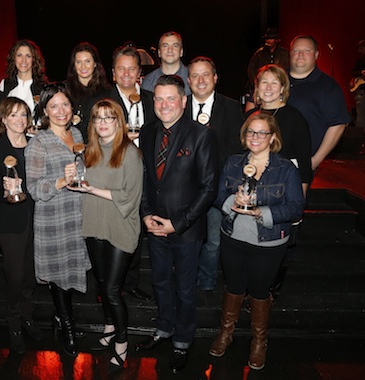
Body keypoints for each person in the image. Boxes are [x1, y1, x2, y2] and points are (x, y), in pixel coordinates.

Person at [208, 111, 305, 370]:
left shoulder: (286, 169)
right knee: (234, 287)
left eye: (262, 132)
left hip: (269, 243)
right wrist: (232, 202)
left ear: (272, 137)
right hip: (234, 237)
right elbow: (217, 197)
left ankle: (259, 342)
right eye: (251, 131)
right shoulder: (233, 162)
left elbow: (296, 207)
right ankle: (225, 334)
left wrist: (264, 212)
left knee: (261, 292)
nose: (255, 137)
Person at [135, 75, 218, 374]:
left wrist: (177, 224)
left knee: (184, 289)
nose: (164, 104)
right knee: (159, 282)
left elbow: (209, 189)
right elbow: (146, 178)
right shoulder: (147, 133)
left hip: (186, 229)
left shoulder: (202, 135)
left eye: (171, 98)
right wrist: (145, 214)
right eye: (159, 99)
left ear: (184, 101)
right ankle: (164, 329)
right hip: (155, 224)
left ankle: (183, 340)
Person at [67, 98, 143, 374]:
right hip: (95, 225)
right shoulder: (90, 151)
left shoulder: (130, 153)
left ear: (118, 121)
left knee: (112, 290)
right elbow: (82, 180)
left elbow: (130, 197)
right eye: (97, 118)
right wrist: (72, 177)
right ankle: (110, 327)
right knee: (102, 284)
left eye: (108, 118)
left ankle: (122, 342)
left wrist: (90, 190)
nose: (102, 123)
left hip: (121, 228)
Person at [84, 44, 156, 302]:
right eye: (121, 69)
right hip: (113, 172)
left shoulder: (151, 99)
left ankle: (131, 281)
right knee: (111, 228)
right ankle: (109, 286)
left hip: (148, 172)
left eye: (132, 69)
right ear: (113, 73)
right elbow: (89, 137)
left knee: (133, 226)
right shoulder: (101, 100)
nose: (126, 74)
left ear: (140, 73)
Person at [24, 83, 90, 357]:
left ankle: (60, 318)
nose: (61, 111)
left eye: (65, 105)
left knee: (71, 271)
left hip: (77, 215)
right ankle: (68, 328)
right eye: (54, 106)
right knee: (59, 277)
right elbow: (35, 188)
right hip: (53, 218)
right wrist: (63, 180)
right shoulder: (38, 142)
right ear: (44, 111)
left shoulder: (76, 133)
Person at [0, 97, 43, 355]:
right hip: (11, 221)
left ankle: (27, 316)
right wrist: (5, 190)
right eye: (14, 115)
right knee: (15, 276)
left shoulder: (34, 145)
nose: (19, 120)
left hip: (37, 219)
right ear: (3, 119)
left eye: (23, 115)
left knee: (30, 275)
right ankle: (14, 324)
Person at [184, 56, 244, 291]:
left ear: (215, 78)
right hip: (184, 190)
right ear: (188, 80)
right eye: (195, 75)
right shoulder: (179, 105)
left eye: (206, 74)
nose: (201, 80)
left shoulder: (230, 107)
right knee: (186, 241)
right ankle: (186, 282)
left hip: (217, 188)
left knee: (213, 242)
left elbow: (235, 148)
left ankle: (206, 285)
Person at [287, 35, 351, 174]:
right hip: (269, 159)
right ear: (290, 53)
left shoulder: (328, 87)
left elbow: (338, 125)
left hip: (300, 164)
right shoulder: (276, 80)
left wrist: (315, 161)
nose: (300, 55)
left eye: (307, 51)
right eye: (296, 50)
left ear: (316, 55)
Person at [247, 64, 312, 194]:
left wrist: (301, 199)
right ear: (257, 87)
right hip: (252, 183)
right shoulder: (249, 116)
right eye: (264, 82)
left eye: (274, 83)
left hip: (283, 186)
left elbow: (304, 161)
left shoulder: (295, 117)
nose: (268, 87)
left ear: (282, 88)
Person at [65, 42, 111, 141]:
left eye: (87, 61)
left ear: (95, 64)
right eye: (78, 62)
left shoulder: (107, 91)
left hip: (98, 146)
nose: (83, 66)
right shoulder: (65, 91)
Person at [0, 39, 48, 123]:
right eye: (19, 55)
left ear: (34, 59)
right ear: (14, 58)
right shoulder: (5, 84)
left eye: (28, 56)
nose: (23, 60)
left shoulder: (43, 87)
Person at [244, 28, 290, 112]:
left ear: (276, 40)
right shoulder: (260, 53)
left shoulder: (284, 53)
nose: (268, 41)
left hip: (279, 85)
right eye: (267, 38)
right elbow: (251, 69)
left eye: (271, 38)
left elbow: (288, 68)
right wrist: (258, 82)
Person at [141, 31, 191, 95]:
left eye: (175, 46)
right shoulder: (148, 81)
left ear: (181, 52)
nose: (170, 49)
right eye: (165, 46)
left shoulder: (193, 79)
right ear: (159, 52)